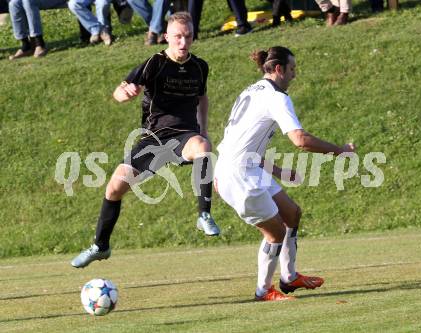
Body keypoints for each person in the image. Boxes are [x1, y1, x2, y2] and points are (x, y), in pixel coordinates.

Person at [71, 11, 220, 269]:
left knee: (204, 147)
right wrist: (125, 94)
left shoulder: (200, 67)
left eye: (188, 36)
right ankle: (100, 246)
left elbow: (202, 98)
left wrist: (203, 130)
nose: (183, 43)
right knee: (114, 188)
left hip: (184, 137)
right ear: (166, 37)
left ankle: (204, 215)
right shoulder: (154, 63)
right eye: (177, 37)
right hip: (152, 140)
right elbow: (120, 90)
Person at [214, 46, 356, 301]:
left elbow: (243, 143)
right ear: (279, 69)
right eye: (292, 69)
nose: (295, 75)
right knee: (275, 232)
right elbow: (300, 140)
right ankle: (263, 291)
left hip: (244, 167)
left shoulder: (252, 90)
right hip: (239, 176)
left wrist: (278, 171)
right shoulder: (276, 97)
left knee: (291, 213)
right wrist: (340, 151)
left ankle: (289, 278)